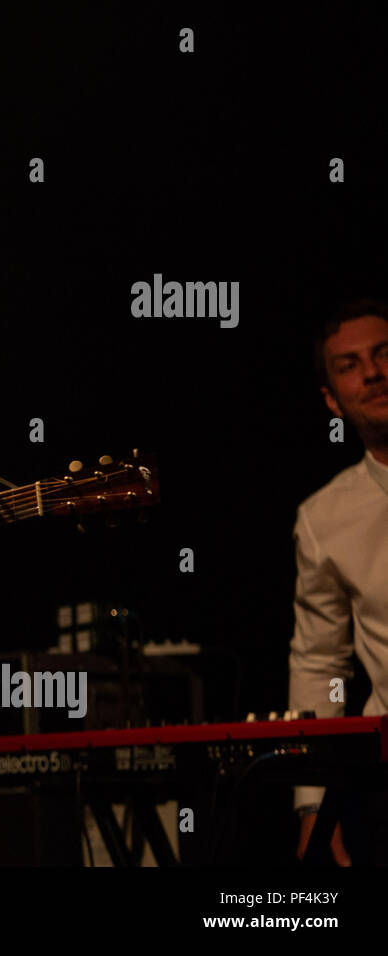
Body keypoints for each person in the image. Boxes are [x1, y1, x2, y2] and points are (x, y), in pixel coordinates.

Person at [289, 299, 388, 865]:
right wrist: (311, 806)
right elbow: (320, 665)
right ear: (331, 400)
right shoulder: (324, 517)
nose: (372, 372)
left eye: (383, 355)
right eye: (349, 365)